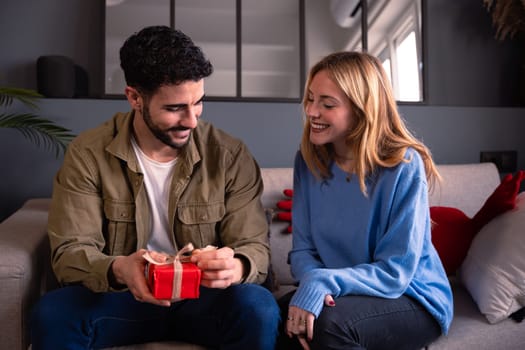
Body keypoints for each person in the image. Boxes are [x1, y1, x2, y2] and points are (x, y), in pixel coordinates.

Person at [30, 25, 279, 350]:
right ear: (135, 97)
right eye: (175, 108)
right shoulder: (88, 153)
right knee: (51, 313)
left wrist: (237, 265)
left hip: (203, 301)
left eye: (198, 102)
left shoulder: (230, 155)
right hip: (121, 300)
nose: (191, 120)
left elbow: (254, 246)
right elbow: (69, 253)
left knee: (258, 308)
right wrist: (119, 268)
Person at [277, 51, 453, 350]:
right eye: (310, 98)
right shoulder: (307, 161)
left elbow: (395, 271)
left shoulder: (403, 165)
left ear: (361, 109)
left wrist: (324, 284)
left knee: (327, 326)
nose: (311, 111)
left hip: (412, 296)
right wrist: (315, 284)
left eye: (327, 104)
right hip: (341, 294)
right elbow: (303, 250)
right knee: (272, 318)